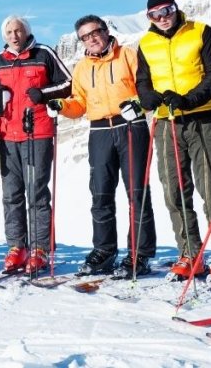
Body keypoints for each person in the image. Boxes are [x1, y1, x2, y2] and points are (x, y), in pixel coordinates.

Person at [136, 0, 211, 283]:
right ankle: (190, 252)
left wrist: (187, 100)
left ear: (176, 8)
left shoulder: (200, 31)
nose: (162, 18)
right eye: (154, 14)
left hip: (202, 118)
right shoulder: (145, 43)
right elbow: (142, 81)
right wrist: (150, 98)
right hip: (165, 121)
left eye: (167, 10)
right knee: (173, 188)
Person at [50, 16, 157, 278]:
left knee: (136, 192)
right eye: (85, 36)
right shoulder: (82, 68)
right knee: (100, 195)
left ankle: (139, 254)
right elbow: (79, 103)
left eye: (95, 33)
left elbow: (146, 89)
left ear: (106, 31)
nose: (92, 39)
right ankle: (105, 251)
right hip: (99, 131)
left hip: (130, 126)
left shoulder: (128, 55)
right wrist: (62, 106)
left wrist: (138, 104)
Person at [0, 15, 71, 274]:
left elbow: (67, 84)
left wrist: (44, 94)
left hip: (37, 132)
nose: (14, 35)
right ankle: (17, 247)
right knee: (11, 195)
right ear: (4, 36)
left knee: (36, 192)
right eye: (9, 32)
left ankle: (39, 249)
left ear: (26, 31)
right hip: (8, 135)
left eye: (18, 30)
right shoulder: (0, 60)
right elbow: (0, 94)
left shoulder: (43, 53)